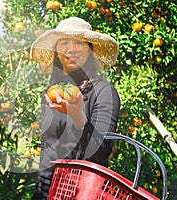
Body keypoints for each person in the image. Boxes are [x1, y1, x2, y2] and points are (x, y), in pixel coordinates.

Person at [30, 17, 120, 199]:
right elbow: (49, 149)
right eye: (64, 42)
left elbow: (102, 151)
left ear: (90, 49)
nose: (71, 48)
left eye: (79, 42)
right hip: (50, 190)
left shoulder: (104, 92)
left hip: (86, 191)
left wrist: (77, 115)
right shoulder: (51, 93)